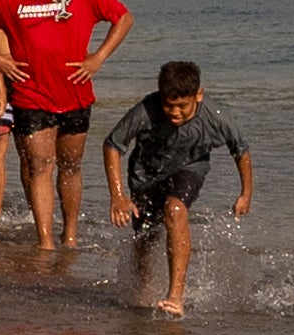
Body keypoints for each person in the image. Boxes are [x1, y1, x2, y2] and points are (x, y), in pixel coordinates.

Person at [0, 0, 132, 252]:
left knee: (71, 165)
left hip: (75, 92)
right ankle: (46, 241)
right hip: (30, 94)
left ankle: (71, 234)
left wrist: (97, 58)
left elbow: (123, 18)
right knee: (38, 166)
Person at [106, 60, 253, 317]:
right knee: (145, 239)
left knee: (175, 209)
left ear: (198, 95)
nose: (174, 112)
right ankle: (142, 292)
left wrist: (245, 194)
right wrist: (117, 196)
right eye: (168, 105)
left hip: (189, 169)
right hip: (145, 176)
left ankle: (175, 296)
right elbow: (112, 145)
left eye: (182, 106)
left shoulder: (216, 117)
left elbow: (241, 150)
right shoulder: (146, 111)